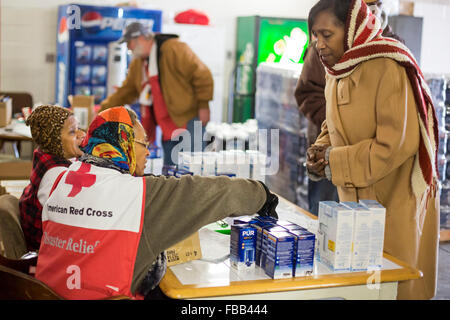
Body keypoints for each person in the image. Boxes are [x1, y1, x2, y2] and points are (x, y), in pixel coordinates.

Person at [34, 106, 279, 300]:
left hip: (43, 294)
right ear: (125, 143)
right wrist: (262, 195)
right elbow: (210, 193)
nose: (149, 152)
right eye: (144, 144)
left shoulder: (60, 178)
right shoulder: (136, 194)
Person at [305, 0, 439, 299]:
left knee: (393, 285)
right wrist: (320, 149)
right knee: (363, 287)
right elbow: (334, 123)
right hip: (356, 203)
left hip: (394, 199)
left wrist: (333, 161)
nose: (319, 44)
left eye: (326, 34)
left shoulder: (388, 65)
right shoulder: (337, 69)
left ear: (351, 29)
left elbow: (395, 146)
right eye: (315, 35)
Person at [294, 0, 402, 216]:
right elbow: (308, 93)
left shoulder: (390, 52)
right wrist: (332, 137)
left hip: (369, 162)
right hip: (329, 156)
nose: (368, 9)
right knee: (324, 221)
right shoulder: (324, 51)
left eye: (373, 4)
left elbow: (395, 141)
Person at [99, 22, 213, 166]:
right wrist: (103, 112)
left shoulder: (174, 48)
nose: (128, 48)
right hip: (166, 128)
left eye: (129, 43)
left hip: (188, 120)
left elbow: (203, 74)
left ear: (140, 38)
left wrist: (204, 106)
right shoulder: (138, 64)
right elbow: (126, 92)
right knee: (171, 174)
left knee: (192, 169)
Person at [19, 105, 85, 252]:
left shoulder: (46, 154)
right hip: (46, 250)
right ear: (55, 140)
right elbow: (66, 219)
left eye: (79, 128)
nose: (82, 134)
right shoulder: (57, 174)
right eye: (72, 132)